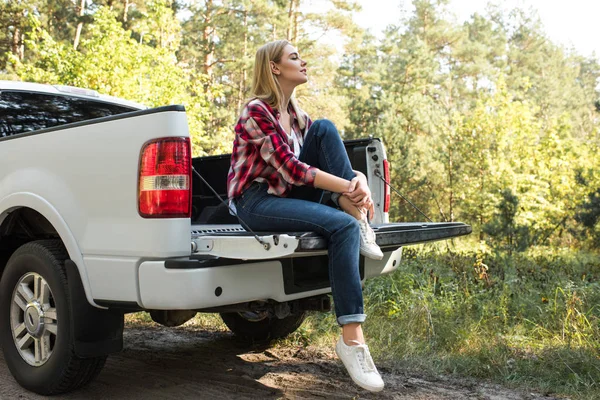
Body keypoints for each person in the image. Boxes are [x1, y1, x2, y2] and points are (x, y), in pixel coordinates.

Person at [227, 39, 385, 392]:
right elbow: (293, 170)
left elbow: (320, 163)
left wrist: (358, 181)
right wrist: (348, 187)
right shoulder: (256, 112)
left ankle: (355, 212)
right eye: (294, 57)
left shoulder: (299, 118)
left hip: (286, 194)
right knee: (342, 226)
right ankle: (353, 340)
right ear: (274, 67)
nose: (304, 62)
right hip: (255, 201)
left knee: (327, 128)